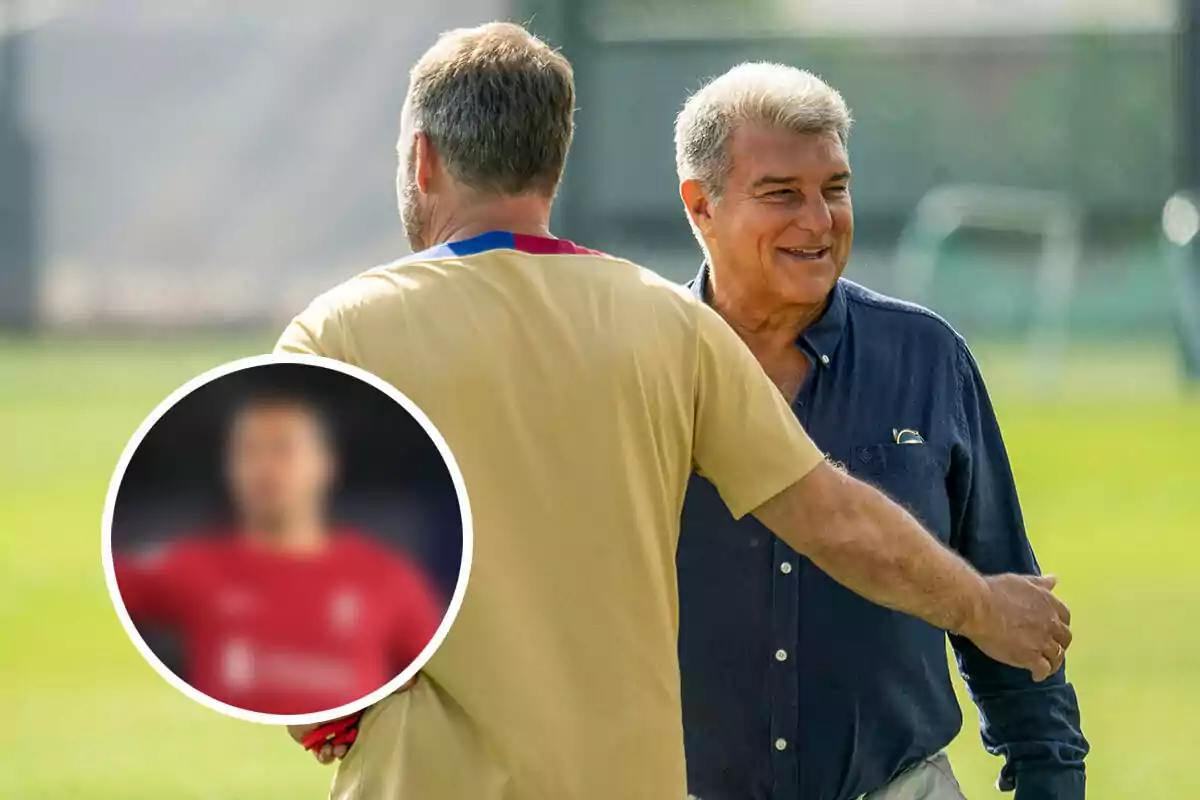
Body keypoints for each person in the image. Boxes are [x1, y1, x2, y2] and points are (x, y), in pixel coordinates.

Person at [274, 23, 1072, 800]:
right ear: (556, 160)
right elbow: (834, 518)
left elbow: (261, 586)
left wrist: (331, 717)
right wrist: (981, 605)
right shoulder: (668, 326)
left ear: (423, 159)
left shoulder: (336, 334)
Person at [672, 63, 1088, 800]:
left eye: (835, 188)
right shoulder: (642, 368)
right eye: (782, 195)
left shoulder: (926, 358)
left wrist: (1050, 773)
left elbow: (1003, 593)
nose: (820, 220)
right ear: (701, 206)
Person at [114, 391, 445, 716]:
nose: (265, 468)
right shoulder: (193, 566)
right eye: (250, 452)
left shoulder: (386, 577)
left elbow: (449, 685)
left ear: (325, 465)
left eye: (283, 450)